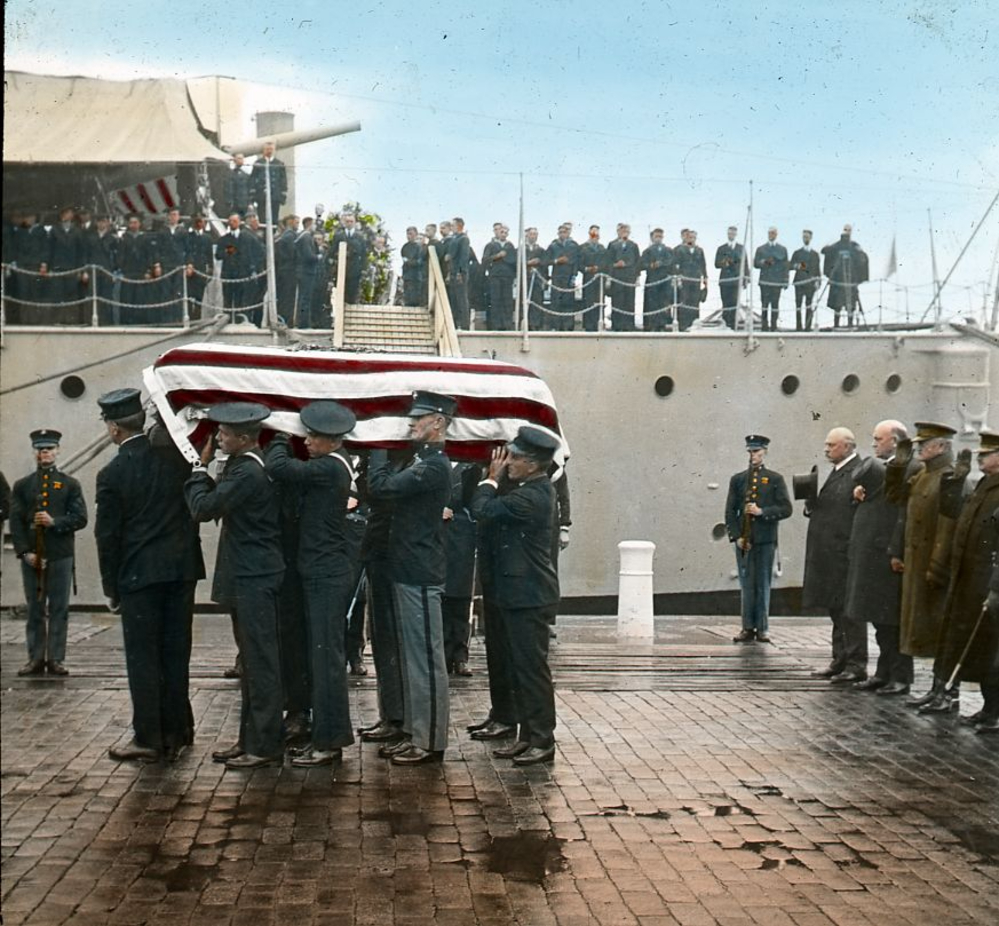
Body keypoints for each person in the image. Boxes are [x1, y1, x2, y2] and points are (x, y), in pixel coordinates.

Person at [95, 389, 204, 762]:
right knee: (176, 653)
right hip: (181, 571)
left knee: (144, 659)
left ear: (113, 429)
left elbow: (107, 537)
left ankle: (148, 738)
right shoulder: (176, 461)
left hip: (140, 577)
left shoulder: (112, 473)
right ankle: (180, 729)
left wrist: (111, 586)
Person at [185, 403, 285, 769]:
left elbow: (203, 508)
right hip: (251, 576)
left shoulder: (247, 474)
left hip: (254, 578)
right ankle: (250, 740)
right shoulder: (245, 466)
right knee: (252, 664)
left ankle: (265, 745)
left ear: (244, 438)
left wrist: (199, 467)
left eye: (224, 434)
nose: (218, 438)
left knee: (260, 664)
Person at [266, 401, 358, 766]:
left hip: (326, 573)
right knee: (323, 657)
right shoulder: (333, 463)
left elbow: (278, 467)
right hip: (323, 571)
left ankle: (330, 742)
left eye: (313, 436)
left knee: (326, 660)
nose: (306, 442)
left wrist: (278, 434)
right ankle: (325, 738)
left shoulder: (330, 468)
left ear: (332, 441)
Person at [367, 391, 454, 765]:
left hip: (419, 571)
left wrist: (377, 449)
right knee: (413, 658)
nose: (411, 424)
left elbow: (382, 488)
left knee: (425, 662)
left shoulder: (434, 466)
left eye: (419, 419)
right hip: (409, 569)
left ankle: (430, 741)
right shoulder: (420, 461)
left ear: (438, 422)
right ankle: (416, 732)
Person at [470, 426, 562, 765]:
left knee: (531, 670)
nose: (509, 463)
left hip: (528, 596)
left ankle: (542, 739)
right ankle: (527, 736)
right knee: (518, 667)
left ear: (535, 464)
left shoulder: (533, 496)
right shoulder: (529, 487)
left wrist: (491, 479)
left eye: (516, 459)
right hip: (516, 593)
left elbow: (483, 509)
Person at [885, 422, 957, 711]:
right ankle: (936, 689)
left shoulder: (949, 477)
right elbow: (894, 501)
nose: (918, 449)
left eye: (923, 445)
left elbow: (947, 527)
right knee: (925, 629)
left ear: (940, 447)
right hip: (917, 565)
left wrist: (937, 566)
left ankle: (946, 692)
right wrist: (898, 466)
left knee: (940, 629)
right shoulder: (923, 475)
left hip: (932, 567)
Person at [931, 433, 999, 732]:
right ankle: (988, 709)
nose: (980, 458)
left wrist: (996, 586)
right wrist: (956, 480)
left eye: (987, 453)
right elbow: (952, 512)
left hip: (989, 584)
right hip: (970, 581)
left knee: (991, 649)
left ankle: (994, 711)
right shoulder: (983, 486)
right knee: (979, 648)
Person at [10, 429, 88, 676]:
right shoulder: (22, 486)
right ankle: (35, 658)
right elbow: (16, 523)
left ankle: (55, 658)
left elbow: (81, 518)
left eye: (50, 448)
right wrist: (25, 553)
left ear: (58, 451)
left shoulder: (69, 484)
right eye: (41, 449)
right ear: (35, 452)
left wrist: (55, 522)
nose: (45, 453)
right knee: (35, 607)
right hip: (32, 557)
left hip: (60, 554)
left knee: (59, 608)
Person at [845, 421, 913, 695]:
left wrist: (896, 550)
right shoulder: (888, 469)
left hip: (887, 556)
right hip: (874, 555)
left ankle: (900, 677)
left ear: (895, 442)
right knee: (881, 620)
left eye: (878, 439)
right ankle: (884, 673)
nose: (873, 444)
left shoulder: (907, 468)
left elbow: (902, 514)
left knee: (892, 620)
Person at [801, 427, 866, 681]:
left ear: (847, 447)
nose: (826, 449)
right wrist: (812, 506)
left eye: (831, 445)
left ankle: (855, 664)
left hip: (843, 554)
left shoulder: (858, 472)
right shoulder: (838, 471)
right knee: (836, 610)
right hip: (830, 554)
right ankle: (840, 660)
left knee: (849, 612)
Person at [725, 435, 792, 643]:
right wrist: (736, 537)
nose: (753, 456)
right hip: (745, 540)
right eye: (751, 452)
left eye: (757, 452)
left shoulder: (774, 479)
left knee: (763, 584)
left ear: (765, 452)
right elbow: (730, 511)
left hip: (765, 540)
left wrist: (762, 511)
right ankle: (747, 627)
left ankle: (762, 628)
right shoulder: (738, 480)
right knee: (747, 584)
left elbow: (786, 508)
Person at [442, 463, 480, 677]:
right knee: (443, 596)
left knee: (462, 598)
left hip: (463, 535)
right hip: (441, 534)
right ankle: (446, 654)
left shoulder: (471, 468)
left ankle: (460, 655)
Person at [822, 224, 869, 328]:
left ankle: (850, 323)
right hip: (838, 281)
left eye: (848, 230)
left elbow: (862, 258)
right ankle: (836, 324)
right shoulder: (837, 246)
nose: (846, 232)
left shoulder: (854, 246)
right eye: (845, 230)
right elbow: (825, 251)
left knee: (851, 305)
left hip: (851, 281)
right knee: (837, 305)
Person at [216, 213, 258, 323]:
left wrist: (252, 268)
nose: (232, 223)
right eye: (230, 221)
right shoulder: (224, 239)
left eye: (234, 221)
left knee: (241, 300)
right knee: (228, 300)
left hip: (242, 274)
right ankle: (227, 321)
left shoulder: (247, 238)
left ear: (239, 222)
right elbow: (218, 255)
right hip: (228, 274)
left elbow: (256, 253)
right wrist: (228, 251)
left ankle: (240, 321)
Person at [753, 227, 789, 331]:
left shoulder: (782, 249)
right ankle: (764, 326)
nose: (771, 235)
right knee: (764, 305)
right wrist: (764, 262)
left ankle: (774, 326)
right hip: (765, 281)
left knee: (775, 305)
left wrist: (785, 280)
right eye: (770, 233)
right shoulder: (761, 249)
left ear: (776, 234)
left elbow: (785, 266)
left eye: (773, 233)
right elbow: (756, 263)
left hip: (777, 282)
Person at [671, 229, 707, 331]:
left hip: (696, 279)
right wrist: (678, 277)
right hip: (684, 278)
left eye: (693, 237)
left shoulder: (699, 250)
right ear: (686, 238)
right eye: (689, 237)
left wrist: (705, 277)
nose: (691, 239)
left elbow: (703, 265)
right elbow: (675, 264)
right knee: (684, 300)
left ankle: (694, 323)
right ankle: (683, 325)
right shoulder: (679, 250)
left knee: (695, 301)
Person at [482, 223, 517, 330]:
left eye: (506, 232)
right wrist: (496, 256)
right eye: (501, 232)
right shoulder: (491, 245)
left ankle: (506, 324)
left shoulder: (510, 246)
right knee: (495, 300)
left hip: (507, 277)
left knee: (507, 301)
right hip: (495, 276)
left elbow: (514, 261)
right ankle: (495, 325)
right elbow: (485, 260)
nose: (503, 234)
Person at [607, 224, 640, 331]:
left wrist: (637, 277)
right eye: (622, 230)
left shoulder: (633, 245)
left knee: (629, 301)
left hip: (629, 277)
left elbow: (637, 262)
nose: (624, 232)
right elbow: (608, 261)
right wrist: (615, 265)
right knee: (617, 301)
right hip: (617, 276)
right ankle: (617, 325)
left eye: (626, 230)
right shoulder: (612, 245)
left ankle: (629, 325)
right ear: (618, 231)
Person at [714, 226, 749, 330]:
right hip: (725, 280)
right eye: (730, 233)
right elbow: (717, 264)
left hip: (736, 280)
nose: (731, 235)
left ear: (736, 234)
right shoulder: (722, 248)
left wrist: (746, 279)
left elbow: (745, 264)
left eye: (733, 234)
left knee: (734, 304)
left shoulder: (741, 248)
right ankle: (726, 326)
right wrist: (726, 262)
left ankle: (733, 326)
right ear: (727, 234)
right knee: (725, 304)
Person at [547, 223, 579, 332]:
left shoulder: (573, 245)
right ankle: (556, 326)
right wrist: (556, 261)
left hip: (568, 276)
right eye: (560, 232)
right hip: (557, 276)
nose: (562, 234)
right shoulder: (553, 245)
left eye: (564, 232)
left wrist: (574, 276)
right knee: (555, 301)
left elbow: (576, 262)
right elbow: (546, 260)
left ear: (568, 233)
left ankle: (568, 326)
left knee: (568, 302)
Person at [641, 228, 673, 332]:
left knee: (663, 302)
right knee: (652, 302)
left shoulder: (668, 250)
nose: (658, 239)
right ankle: (652, 324)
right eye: (656, 236)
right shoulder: (647, 251)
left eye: (660, 236)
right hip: (652, 279)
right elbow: (642, 264)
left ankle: (662, 324)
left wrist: (662, 263)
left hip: (664, 279)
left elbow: (670, 262)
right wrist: (651, 265)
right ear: (652, 237)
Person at [332, 212, 368, 305]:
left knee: (352, 294)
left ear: (355, 223)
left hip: (355, 269)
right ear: (344, 222)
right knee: (341, 293)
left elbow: (364, 254)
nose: (349, 223)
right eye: (347, 221)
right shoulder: (339, 236)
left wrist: (363, 268)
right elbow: (332, 251)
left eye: (351, 221)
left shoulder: (360, 237)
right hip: (341, 269)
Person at [249, 140, 288, 226]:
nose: (269, 151)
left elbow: (283, 180)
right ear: (264, 150)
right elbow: (253, 178)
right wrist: (253, 194)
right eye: (267, 149)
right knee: (262, 217)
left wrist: (283, 194)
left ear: (274, 150)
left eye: (271, 149)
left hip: (275, 196)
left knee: (274, 217)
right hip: (261, 196)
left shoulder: (279, 163)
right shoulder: (258, 163)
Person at [185, 214, 214, 322]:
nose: (199, 224)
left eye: (201, 221)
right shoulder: (188, 236)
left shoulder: (207, 238)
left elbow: (209, 255)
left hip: (201, 270)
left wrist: (211, 269)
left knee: (199, 296)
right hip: (189, 269)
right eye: (197, 222)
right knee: (188, 295)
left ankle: (196, 319)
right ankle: (188, 318)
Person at [790, 230, 820, 331]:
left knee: (809, 305)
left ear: (811, 238)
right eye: (804, 237)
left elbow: (817, 270)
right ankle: (798, 327)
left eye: (807, 237)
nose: (805, 239)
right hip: (799, 282)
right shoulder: (797, 253)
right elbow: (790, 265)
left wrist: (818, 282)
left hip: (810, 283)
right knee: (798, 305)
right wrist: (800, 266)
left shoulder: (815, 254)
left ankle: (808, 327)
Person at [578, 225, 606, 332]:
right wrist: (587, 269)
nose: (595, 236)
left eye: (597, 234)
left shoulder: (602, 248)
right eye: (593, 233)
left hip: (600, 278)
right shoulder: (583, 248)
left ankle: (599, 323)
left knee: (599, 301)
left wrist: (599, 268)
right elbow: (579, 264)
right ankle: (589, 326)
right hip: (588, 278)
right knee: (588, 302)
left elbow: (606, 263)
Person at [446, 217, 471, 329]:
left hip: (459, 272)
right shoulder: (454, 239)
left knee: (461, 299)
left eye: (453, 225)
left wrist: (460, 272)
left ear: (459, 225)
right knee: (454, 299)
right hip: (452, 271)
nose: (451, 228)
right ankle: (455, 324)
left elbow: (464, 257)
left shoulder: (464, 239)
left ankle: (465, 325)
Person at [523, 227, 548, 330]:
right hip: (525, 279)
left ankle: (536, 324)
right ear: (527, 235)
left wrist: (545, 280)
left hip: (537, 279)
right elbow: (516, 264)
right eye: (531, 234)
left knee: (537, 301)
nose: (533, 236)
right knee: (525, 301)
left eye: (535, 234)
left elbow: (545, 264)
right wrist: (528, 263)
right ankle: (526, 324)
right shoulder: (522, 249)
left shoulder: (541, 250)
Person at [400, 225, 427, 307]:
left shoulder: (419, 247)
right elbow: (404, 259)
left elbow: (420, 261)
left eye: (411, 234)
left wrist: (410, 262)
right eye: (408, 234)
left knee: (415, 297)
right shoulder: (405, 247)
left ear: (416, 234)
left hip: (416, 276)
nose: (409, 236)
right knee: (407, 296)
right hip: (407, 275)